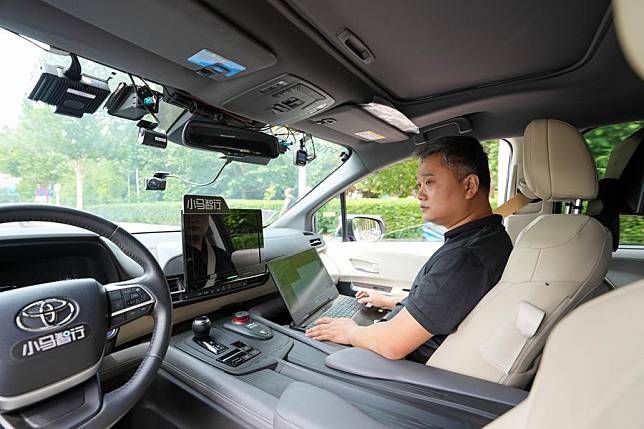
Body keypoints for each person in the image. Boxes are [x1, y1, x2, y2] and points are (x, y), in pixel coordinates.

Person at [306, 136, 513, 363]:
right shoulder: (488, 238)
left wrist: (350, 331)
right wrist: (392, 301)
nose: (420, 194)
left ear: (470, 186)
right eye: (419, 185)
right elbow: (447, 305)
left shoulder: (465, 258)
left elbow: (392, 344)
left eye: (430, 183)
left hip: (402, 370)